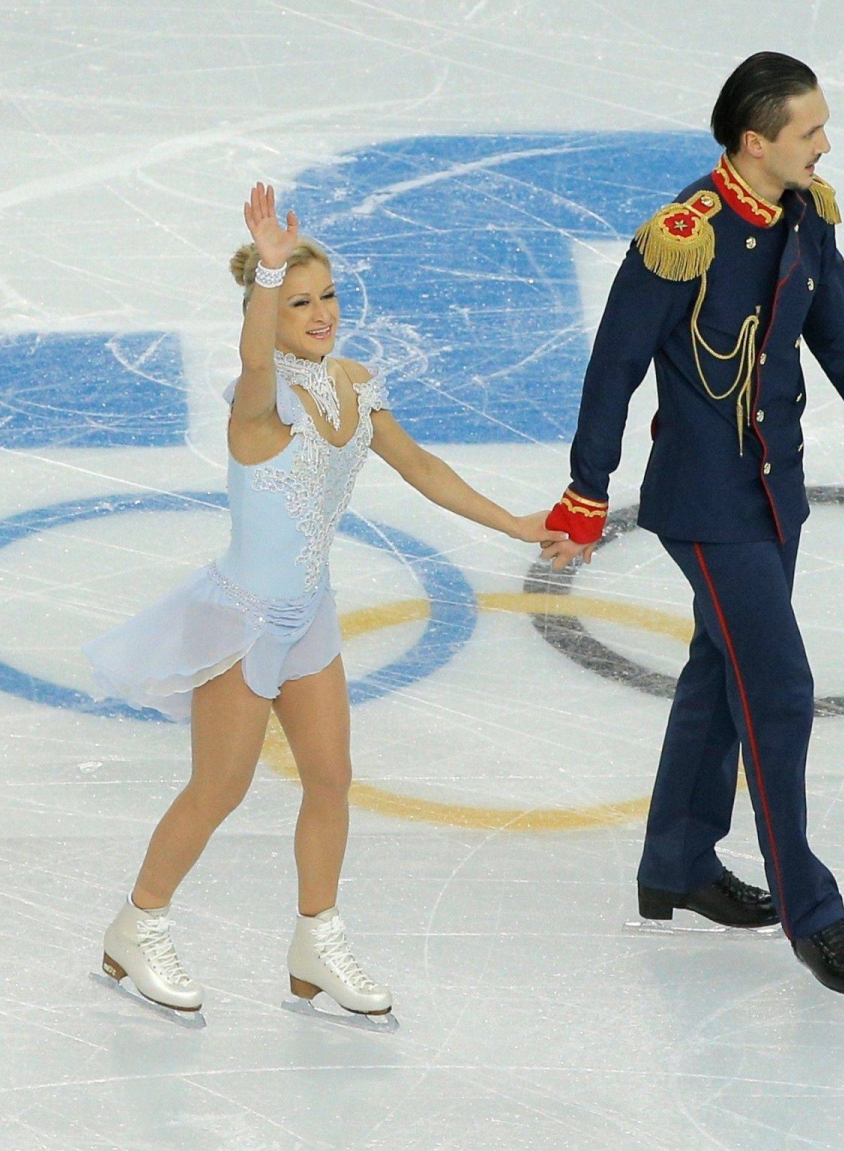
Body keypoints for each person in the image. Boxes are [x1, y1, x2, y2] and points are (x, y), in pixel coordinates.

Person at [539, 52, 844, 999]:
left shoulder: (807, 216)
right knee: (777, 688)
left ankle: (678, 863)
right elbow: (613, 369)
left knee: (718, 671)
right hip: (706, 504)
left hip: (777, 492)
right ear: (755, 141)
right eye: (809, 131)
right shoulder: (680, 237)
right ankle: (813, 912)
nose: (824, 144)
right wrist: (586, 489)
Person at [86, 184, 558, 1021]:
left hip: (312, 617)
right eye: (299, 301)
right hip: (243, 622)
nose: (320, 313)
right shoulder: (257, 406)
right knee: (218, 789)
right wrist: (268, 275)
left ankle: (316, 942)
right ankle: (137, 924)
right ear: (267, 311)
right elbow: (259, 360)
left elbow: (422, 469)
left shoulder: (356, 386)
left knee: (332, 778)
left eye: (327, 296)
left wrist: (515, 524)